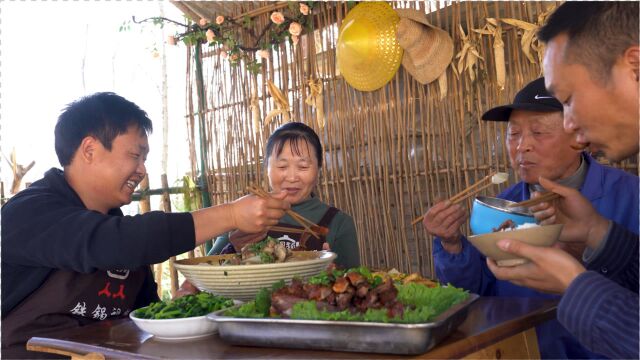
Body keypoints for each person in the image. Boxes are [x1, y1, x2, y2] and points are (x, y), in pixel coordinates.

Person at [0, 92, 290, 358]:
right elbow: (114, 242)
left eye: (145, 159)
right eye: (134, 155)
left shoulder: (120, 231)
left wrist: (194, 288)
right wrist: (231, 214)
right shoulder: (29, 212)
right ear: (89, 150)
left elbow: (147, 316)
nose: (142, 170)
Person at [423, 77, 638, 359]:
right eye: (514, 134)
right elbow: (474, 294)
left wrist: (585, 255)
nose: (522, 146)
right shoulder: (501, 207)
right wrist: (452, 246)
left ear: (578, 137)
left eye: (538, 132)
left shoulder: (630, 196)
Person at [485, 3, 639, 359]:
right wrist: (598, 232)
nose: (569, 126)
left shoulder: (632, 193)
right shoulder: (504, 202)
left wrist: (574, 283)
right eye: (514, 134)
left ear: (634, 68)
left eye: (567, 100)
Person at [209, 122, 360, 268]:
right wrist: (233, 249)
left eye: (303, 166)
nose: (292, 177)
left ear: (319, 167)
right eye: (282, 166)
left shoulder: (339, 223)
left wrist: (332, 273)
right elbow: (203, 275)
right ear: (266, 167)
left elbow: (355, 284)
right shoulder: (245, 213)